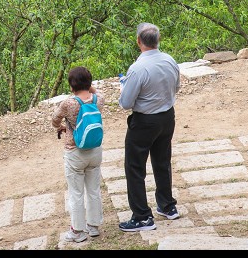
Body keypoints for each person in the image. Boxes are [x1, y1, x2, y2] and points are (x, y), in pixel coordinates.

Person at [117, 22, 181, 232]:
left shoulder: (138, 69)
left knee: (135, 167)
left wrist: (125, 87)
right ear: (158, 40)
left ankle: (142, 217)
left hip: (144, 122)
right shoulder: (170, 61)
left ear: (138, 42)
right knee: (162, 162)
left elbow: (126, 103)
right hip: (167, 117)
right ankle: (167, 205)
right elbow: (176, 87)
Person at [50, 66, 104, 243]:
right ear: (89, 83)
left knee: (76, 193)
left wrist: (62, 127)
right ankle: (94, 227)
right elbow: (95, 93)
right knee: (94, 190)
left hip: (75, 152)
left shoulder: (69, 103)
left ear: (71, 85)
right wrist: (90, 87)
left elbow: (54, 120)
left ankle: (77, 231)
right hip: (95, 151)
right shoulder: (98, 99)